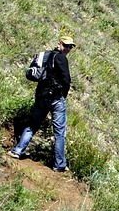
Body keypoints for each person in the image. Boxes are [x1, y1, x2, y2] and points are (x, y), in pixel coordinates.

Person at [9, 35, 76, 172]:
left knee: (32, 125)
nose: (68, 49)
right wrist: (63, 95)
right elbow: (66, 80)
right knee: (59, 132)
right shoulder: (61, 58)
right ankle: (59, 165)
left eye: (70, 46)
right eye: (67, 45)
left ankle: (17, 151)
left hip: (42, 97)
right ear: (60, 44)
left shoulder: (46, 56)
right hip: (56, 99)